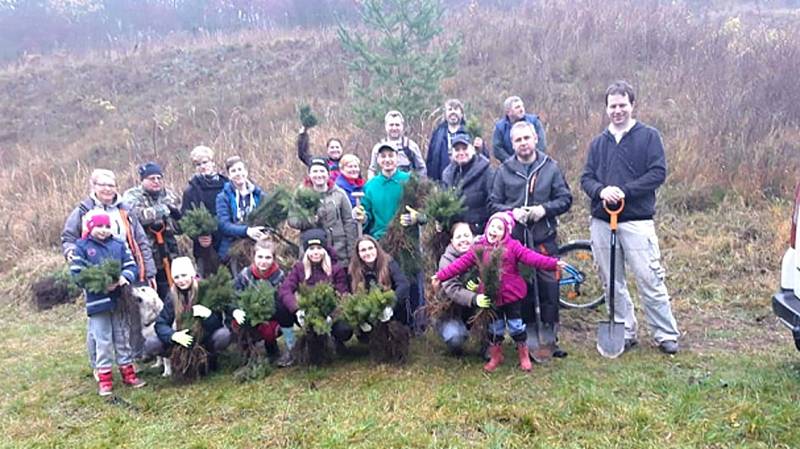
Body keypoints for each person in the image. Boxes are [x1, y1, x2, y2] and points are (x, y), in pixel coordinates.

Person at [580, 80, 680, 354]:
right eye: (612, 106)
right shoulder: (598, 143)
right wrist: (601, 191)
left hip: (636, 221)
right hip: (603, 222)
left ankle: (665, 334)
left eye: (622, 105)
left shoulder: (649, 136)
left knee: (650, 278)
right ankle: (624, 330)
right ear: (606, 108)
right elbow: (586, 178)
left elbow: (657, 173)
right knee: (611, 282)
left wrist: (624, 192)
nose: (617, 111)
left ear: (632, 105)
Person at [433, 212, 565, 372]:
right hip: (492, 296)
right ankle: (496, 355)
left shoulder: (513, 246)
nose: (494, 230)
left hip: (512, 296)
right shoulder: (479, 248)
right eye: (492, 226)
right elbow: (458, 265)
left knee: (516, 326)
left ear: (506, 232)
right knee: (496, 328)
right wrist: (440, 276)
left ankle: (523, 354)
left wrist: (553, 264)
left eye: (499, 228)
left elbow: (532, 258)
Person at [490, 120, 573, 357]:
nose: (523, 143)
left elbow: (565, 198)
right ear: (511, 143)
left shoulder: (550, 167)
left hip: (543, 239)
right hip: (515, 242)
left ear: (535, 139)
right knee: (520, 289)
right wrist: (512, 213)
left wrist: (543, 210)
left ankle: (549, 337)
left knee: (549, 287)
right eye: (518, 140)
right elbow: (493, 202)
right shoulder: (504, 170)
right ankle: (524, 340)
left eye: (527, 138)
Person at [62, 168, 156, 369]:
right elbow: (69, 238)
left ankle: (132, 360)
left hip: (125, 270)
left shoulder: (125, 209)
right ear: (93, 187)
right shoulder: (82, 210)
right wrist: (71, 253)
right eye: (102, 184)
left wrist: (148, 270)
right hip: (96, 277)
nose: (107, 189)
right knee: (98, 324)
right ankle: (99, 365)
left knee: (128, 317)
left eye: (111, 185)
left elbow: (141, 240)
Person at [70, 212, 145, 395]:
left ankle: (128, 372)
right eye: (99, 227)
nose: (103, 231)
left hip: (119, 300)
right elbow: (78, 273)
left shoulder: (119, 244)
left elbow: (131, 265)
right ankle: (104, 378)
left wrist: (123, 278)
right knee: (102, 340)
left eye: (106, 226)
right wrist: (102, 282)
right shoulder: (82, 247)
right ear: (90, 227)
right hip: (98, 303)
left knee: (122, 337)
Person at [145, 257, 232, 368]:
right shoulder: (172, 295)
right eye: (176, 277)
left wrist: (208, 316)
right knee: (151, 343)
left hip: (204, 339)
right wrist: (173, 335)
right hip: (182, 339)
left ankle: (209, 357)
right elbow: (160, 324)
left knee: (223, 335)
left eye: (184, 275)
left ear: (192, 274)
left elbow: (217, 324)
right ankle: (180, 360)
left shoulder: (204, 290)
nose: (181, 280)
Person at [278, 229, 351, 348]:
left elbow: (343, 295)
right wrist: (297, 309)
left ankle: (336, 340)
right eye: (311, 249)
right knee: (281, 306)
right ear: (306, 251)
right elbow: (285, 289)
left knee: (344, 330)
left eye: (319, 248)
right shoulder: (299, 268)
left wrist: (332, 316)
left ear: (325, 250)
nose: (315, 252)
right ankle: (291, 346)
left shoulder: (336, 269)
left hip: (329, 313)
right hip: (306, 313)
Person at [123, 162, 182, 300]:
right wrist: (163, 211)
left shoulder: (169, 195)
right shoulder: (132, 196)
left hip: (170, 250)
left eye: (159, 178)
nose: (156, 181)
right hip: (146, 254)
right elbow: (136, 216)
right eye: (151, 178)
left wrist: (174, 216)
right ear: (142, 180)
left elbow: (180, 223)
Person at [232, 240, 295, 366]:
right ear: (253, 257)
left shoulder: (280, 276)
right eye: (260, 257)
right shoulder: (245, 275)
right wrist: (236, 310)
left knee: (281, 311)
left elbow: (283, 299)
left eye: (268, 257)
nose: (263, 261)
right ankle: (248, 351)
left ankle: (285, 348)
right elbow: (234, 295)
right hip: (250, 314)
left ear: (274, 258)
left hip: (270, 315)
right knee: (240, 322)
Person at [288, 157, 358, 262]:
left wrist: (351, 253)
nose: (319, 175)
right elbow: (292, 220)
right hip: (311, 253)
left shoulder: (339, 193)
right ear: (309, 174)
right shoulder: (301, 194)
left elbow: (349, 222)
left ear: (328, 173)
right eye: (315, 171)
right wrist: (309, 220)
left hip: (338, 252)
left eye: (322, 171)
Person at [181, 145, 228, 278]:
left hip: (228, 242)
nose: (202, 166)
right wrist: (198, 236)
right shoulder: (191, 190)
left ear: (213, 162)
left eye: (205, 162)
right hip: (204, 248)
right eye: (198, 164)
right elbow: (186, 220)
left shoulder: (227, 185)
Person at [435, 222, 481, 355]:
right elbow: (452, 288)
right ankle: (453, 335)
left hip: (474, 309)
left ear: (473, 237)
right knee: (456, 338)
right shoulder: (447, 260)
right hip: (451, 311)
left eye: (466, 235)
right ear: (452, 241)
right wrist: (474, 298)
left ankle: (488, 345)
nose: (463, 240)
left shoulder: (482, 253)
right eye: (459, 236)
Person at [215, 156, 267, 271]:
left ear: (246, 172)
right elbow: (224, 225)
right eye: (233, 171)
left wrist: (264, 233)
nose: (238, 174)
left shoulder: (258, 195)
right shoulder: (223, 197)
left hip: (258, 246)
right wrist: (247, 231)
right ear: (229, 176)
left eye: (240, 169)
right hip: (233, 247)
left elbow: (269, 217)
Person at [348, 235, 410, 325]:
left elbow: (403, 285)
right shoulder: (354, 269)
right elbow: (354, 294)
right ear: (358, 254)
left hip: (392, 310)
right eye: (363, 250)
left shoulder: (389, 262)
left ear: (376, 249)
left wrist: (390, 305)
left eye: (370, 248)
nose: (368, 253)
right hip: (369, 311)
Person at [442, 133, 495, 234]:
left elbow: (492, 203)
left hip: (480, 231)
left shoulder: (486, 171)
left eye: (464, 148)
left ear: (472, 149)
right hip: (455, 233)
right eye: (457, 150)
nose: (461, 153)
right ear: (452, 153)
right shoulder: (447, 175)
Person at [426, 99, 485, 182]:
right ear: (445, 114)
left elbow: (483, 158)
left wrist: (481, 148)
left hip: (467, 182)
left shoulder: (470, 132)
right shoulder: (437, 133)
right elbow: (430, 159)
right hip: (441, 182)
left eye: (456, 109)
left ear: (462, 114)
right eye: (450, 109)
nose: (453, 112)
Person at [367, 110, 426, 179]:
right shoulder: (378, 148)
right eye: (391, 125)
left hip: (406, 187)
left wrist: (418, 185)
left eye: (397, 125)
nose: (394, 128)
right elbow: (372, 170)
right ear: (386, 126)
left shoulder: (411, 146)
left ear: (402, 126)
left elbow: (421, 169)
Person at [492, 96, 547, 162]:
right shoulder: (500, 127)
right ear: (508, 112)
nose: (521, 109)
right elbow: (497, 149)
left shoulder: (534, 121)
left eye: (522, 106)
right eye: (517, 107)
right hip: (510, 168)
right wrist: (512, 162)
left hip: (535, 163)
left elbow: (542, 143)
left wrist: (534, 159)